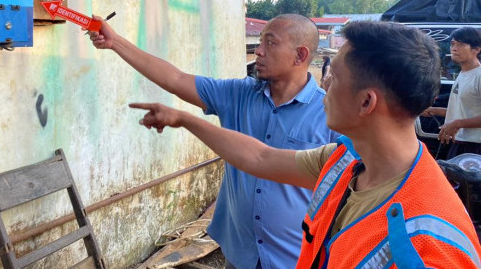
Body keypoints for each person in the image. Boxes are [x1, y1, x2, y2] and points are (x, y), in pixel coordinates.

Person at [131, 21, 481, 268]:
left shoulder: (428, 243)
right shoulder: (343, 162)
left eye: (334, 78)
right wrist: (185, 119)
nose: (323, 86)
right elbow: (260, 156)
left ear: (366, 102)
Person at [89, 14, 339, 269]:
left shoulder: (330, 115)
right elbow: (175, 79)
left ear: (300, 55)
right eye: (260, 42)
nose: (259, 51)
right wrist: (115, 42)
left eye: (270, 43)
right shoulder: (238, 94)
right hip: (239, 253)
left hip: (295, 259)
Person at [422, 27, 481, 158]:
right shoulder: (463, 74)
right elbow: (464, 111)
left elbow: (460, 120)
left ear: (476, 50)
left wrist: (456, 124)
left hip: (475, 149)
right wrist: (435, 110)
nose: (454, 48)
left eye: (461, 45)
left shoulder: (479, 75)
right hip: (459, 144)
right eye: (453, 44)